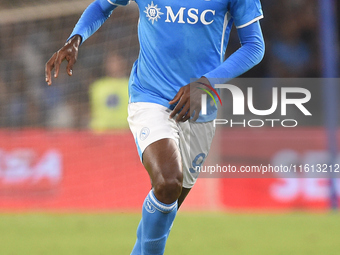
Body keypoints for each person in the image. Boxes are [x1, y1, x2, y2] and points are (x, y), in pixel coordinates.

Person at [45, 0, 265, 254]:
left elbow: (254, 46)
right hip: (150, 96)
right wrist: (76, 38)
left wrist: (207, 84)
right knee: (168, 182)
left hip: (200, 106)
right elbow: (102, 6)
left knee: (166, 205)